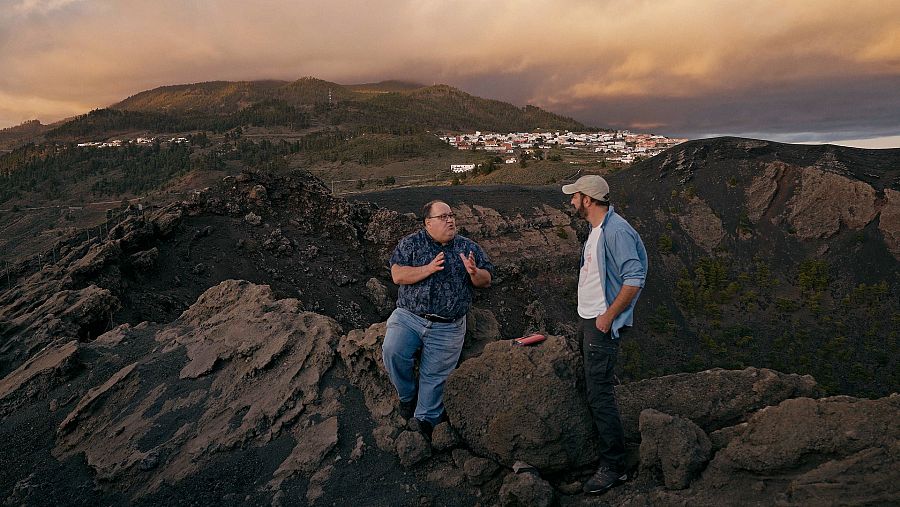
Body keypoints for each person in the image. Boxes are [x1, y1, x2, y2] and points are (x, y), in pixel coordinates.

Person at [562, 175, 648, 495]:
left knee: (599, 393)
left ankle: (614, 466)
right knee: (595, 387)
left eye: (576, 196)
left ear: (588, 199)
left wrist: (608, 317)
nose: (572, 201)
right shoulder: (598, 229)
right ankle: (605, 455)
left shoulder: (616, 230)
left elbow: (634, 278)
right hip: (590, 319)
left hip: (601, 324)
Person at [382, 199, 493, 436]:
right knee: (393, 350)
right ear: (428, 223)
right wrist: (428, 269)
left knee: (434, 380)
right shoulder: (411, 244)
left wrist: (474, 273)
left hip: (448, 327)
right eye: (443, 217)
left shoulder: (468, 247)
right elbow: (397, 275)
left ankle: (423, 424)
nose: (450, 220)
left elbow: (487, 280)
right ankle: (407, 396)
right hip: (409, 317)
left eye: (451, 215)